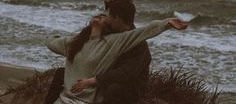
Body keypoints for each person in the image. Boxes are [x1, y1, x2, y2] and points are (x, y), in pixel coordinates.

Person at [46, 10, 187, 104]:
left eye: (104, 18)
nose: (100, 17)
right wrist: (59, 37)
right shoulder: (75, 42)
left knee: (115, 89)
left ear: (110, 25)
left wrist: (167, 23)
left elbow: (144, 31)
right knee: (60, 73)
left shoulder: (112, 43)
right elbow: (51, 42)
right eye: (99, 15)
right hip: (66, 96)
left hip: (91, 96)